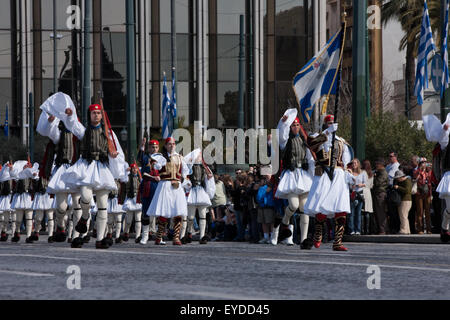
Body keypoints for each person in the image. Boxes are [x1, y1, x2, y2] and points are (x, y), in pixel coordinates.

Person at [64, 103, 121, 249]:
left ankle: (100, 239)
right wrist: (70, 115)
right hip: (87, 167)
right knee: (86, 197)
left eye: (98, 113)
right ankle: (84, 217)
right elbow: (73, 125)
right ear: (89, 115)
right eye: (93, 113)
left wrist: (113, 155)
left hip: (102, 168)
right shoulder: (84, 131)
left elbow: (116, 151)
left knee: (102, 206)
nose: (96, 115)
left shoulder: (108, 133)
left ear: (102, 116)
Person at [304, 114, 353, 251]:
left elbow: (347, 159)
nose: (331, 125)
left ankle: (338, 242)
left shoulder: (341, 141)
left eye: (332, 123)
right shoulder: (318, 136)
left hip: (337, 175)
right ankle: (318, 234)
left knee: (340, 208)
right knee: (321, 206)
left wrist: (348, 173)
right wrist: (326, 134)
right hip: (323, 174)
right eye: (328, 123)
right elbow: (311, 144)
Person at [274, 109, 315, 249]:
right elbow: (281, 134)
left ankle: (303, 240)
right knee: (294, 205)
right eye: (293, 125)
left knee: (304, 208)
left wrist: (314, 174)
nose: (296, 128)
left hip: (303, 176)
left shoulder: (304, 141)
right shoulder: (285, 141)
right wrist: (283, 122)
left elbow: (310, 158)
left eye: (297, 125)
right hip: (291, 175)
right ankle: (284, 222)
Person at [146, 137, 189, 245]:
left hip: (177, 185)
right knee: (164, 211)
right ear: (165, 146)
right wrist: (155, 161)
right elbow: (156, 167)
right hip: (165, 185)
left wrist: (185, 182)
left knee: (178, 211)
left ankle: (176, 237)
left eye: (173, 144)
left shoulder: (180, 158)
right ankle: (159, 236)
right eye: (169, 144)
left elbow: (184, 173)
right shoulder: (161, 157)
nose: (172, 145)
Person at [181, 150, 215, 244]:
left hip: (201, 192)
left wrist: (209, 178)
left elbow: (209, 180)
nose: (200, 157)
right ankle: (189, 233)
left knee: (203, 215)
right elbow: (185, 178)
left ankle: (202, 236)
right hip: (192, 191)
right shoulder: (189, 168)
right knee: (191, 216)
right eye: (198, 156)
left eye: (200, 156)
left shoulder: (205, 168)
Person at [10, 160, 40, 243]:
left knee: (29, 218)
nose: (26, 167)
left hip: (28, 197)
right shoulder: (18, 175)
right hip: (20, 197)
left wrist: (34, 175)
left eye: (28, 166)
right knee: (18, 220)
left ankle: (29, 236)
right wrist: (11, 169)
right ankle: (17, 232)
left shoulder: (32, 174)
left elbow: (36, 178)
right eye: (25, 166)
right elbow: (13, 175)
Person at [121, 163, 143, 243]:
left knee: (138, 219)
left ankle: (137, 236)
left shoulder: (140, 178)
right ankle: (126, 232)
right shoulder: (128, 177)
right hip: (130, 199)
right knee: (128, 220)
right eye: (133, 168)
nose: (134, 170)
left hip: (138, 199)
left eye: (136, 168)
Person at [413, 161, 435, 234]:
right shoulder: (417, 172)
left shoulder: (429, 172)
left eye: (425, 164)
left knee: (428, 212)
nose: (424, 166)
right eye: (423, 164)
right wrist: (420, 171)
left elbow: (432, 181)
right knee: (420, 212)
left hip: (427, 193)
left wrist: (427, 173)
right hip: (419, 193)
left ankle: (429, 229)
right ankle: (420, 229)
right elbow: (415, 178)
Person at [256, 170, 276, 244]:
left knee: (270, 222)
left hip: (269, 205)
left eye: (267, 174)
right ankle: (266, 237)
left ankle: (272, 237)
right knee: (263, 222)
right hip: (261, 205)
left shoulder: (273, 182)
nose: (266, 175)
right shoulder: (263, 182)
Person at [348, 159, 367, 235]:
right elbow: (347, 182)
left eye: (355, 163)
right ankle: (351, 230)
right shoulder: (349, 173)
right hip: (352, 193)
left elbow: (366, 183)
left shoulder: (363, 173)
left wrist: (361, 184)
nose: (354, 164)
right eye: (353, 163)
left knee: (358, 213)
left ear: (358, 164)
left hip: (359, 194)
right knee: (351, 213)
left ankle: (358, 230)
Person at [393, 170, 412, 234]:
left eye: (397, 178)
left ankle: (403, 230)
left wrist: (398, 187)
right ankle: (407, 230)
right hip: (402, 200)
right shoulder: (401, 182)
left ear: (401, 177)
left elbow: (407, 191)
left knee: (403, 215)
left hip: (406, 200)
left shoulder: (407, 181)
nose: (397, 180)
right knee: (404, 215)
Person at [373, 159, 389, 234]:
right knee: (377, 212)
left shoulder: (383, 173)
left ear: (381, 165)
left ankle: (383, 229)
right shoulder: (379, 172)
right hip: (377, 193)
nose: (376, 166)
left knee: (381, 212)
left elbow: (378, 182)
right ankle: (379, 228)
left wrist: (374, 177)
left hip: (380, 193)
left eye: (377, 164)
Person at [361, 159, 375, 235]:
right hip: (368, 192)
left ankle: (363, 229)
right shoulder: (371, 174)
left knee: (363, 212)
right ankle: (368, 229)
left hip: (363, 191)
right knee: (368, 212)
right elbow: (371, 185)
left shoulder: (362, 172)